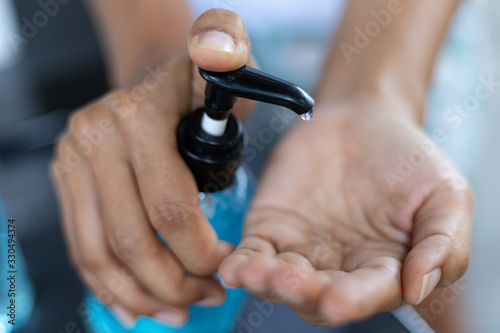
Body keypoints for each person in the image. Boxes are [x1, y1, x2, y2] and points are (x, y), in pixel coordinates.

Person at [50, 0, 472, 331]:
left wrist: (375, 96)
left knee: (413, 277)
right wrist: (157, 75)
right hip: (183, 29)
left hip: (405, 40)